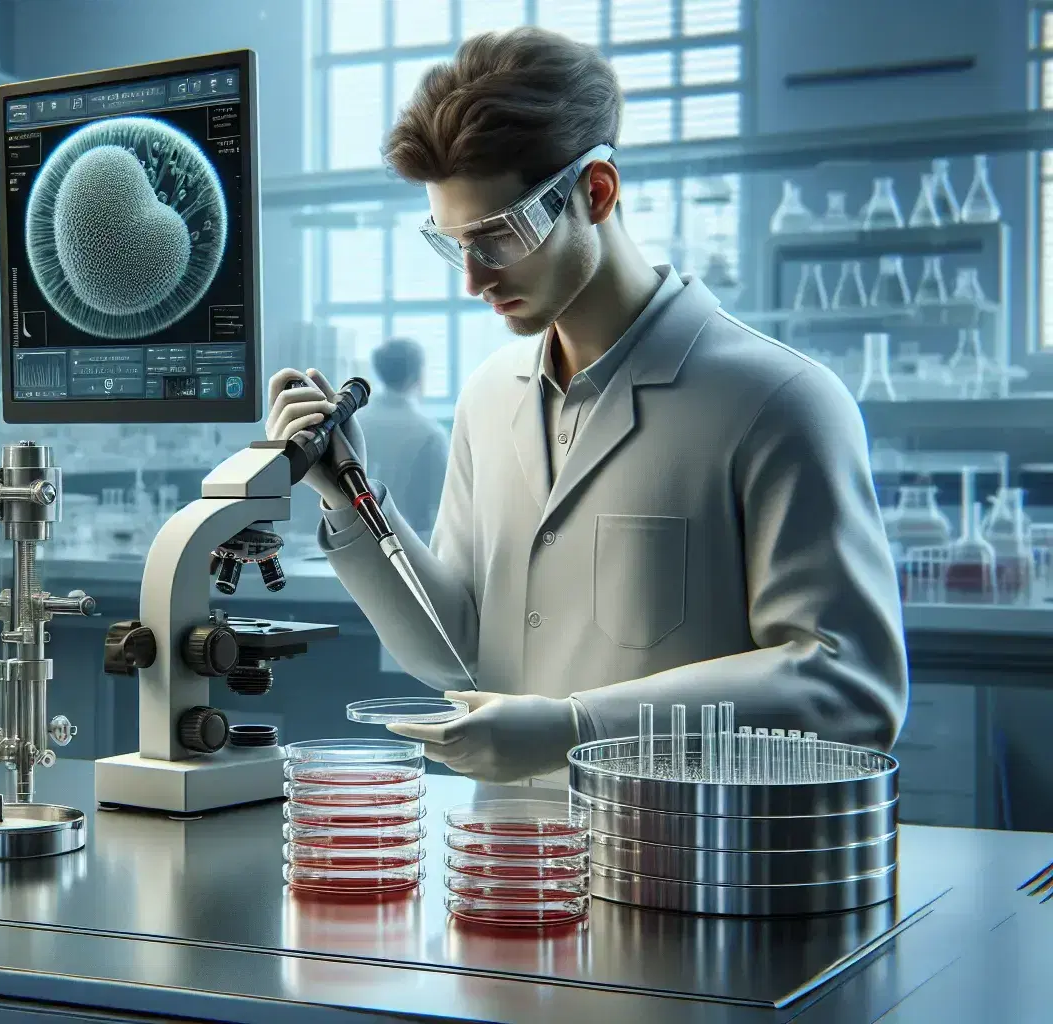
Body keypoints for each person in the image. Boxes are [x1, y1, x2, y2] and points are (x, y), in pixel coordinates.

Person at [266, 27, 906, 783]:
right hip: (505, 871)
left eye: (497, 236)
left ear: (595, 192)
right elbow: (462, 653)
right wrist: (353, 502)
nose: (472, 281)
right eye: (452, 244)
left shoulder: (778, 401)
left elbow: (849, 688)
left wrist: (580, 729)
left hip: (686, 871)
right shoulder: (489, 397)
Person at [356, 338, 448, 541]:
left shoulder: (356, 423)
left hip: (356, 538)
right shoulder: (429, 432)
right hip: (411, 543)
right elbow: (441, 503)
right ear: (417, 375)